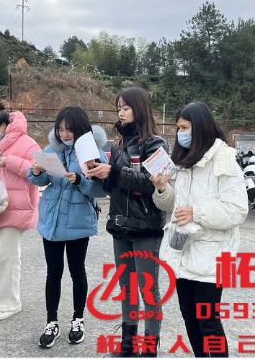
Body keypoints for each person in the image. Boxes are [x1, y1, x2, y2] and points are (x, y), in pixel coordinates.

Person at [150, 102, 248, 358]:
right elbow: (172, 205)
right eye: (178, 128)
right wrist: (162, 188)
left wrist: (197, 212)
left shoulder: (223, 159)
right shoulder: (182, 161)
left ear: (200, 127)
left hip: (213, 256)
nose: (180, 133)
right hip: (183, 251)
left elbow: (237, 210)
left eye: (185, 127)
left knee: (209, 321)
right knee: (190, 318)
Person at [86, 87, 169, 357]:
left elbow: (150, 183)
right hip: (120, 224)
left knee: (148, 289)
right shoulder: (118, 143)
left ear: (139, 109)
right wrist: (100, 173)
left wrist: (114, 171)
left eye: (125, 107)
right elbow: (115, 185)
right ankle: (128, 344)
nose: (120, 113)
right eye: (118, 108)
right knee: (127, 287)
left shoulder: (156, 144)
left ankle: (149, 349)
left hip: (146, 226)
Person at [27, 106, 108, 348]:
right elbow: (43, 180)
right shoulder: (51, 150)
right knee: (53, 272)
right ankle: (51, 321)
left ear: (80, 129)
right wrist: (36, 171)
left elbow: (100, 190)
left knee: (76, 270)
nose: (64, 134)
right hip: (52, 218)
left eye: (69, 130)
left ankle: (78, 319)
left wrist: (80, 180)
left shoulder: (92, 153)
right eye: (60, 129)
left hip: (77, 220)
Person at [0, 103, 42, 321]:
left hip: (17, 206)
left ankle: (10, 302)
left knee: (8, 257)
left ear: (4, 125)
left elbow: (38, 171)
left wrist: (10, 161)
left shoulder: (28, 142)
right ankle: (3, 297)